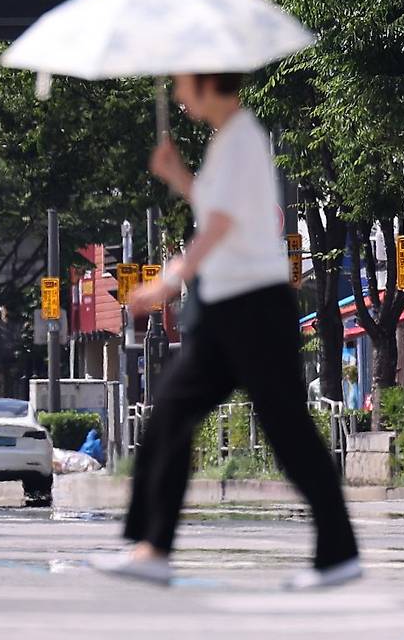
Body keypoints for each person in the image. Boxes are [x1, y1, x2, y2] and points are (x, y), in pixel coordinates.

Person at [92, 73, 360, 590]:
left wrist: (166, 282)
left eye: (182, 83)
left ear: (207, 82)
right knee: (172, 415)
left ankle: (339, 551)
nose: (177, 94)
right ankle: (152, 546)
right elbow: (220, 212)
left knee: (287, 432)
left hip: (253, 310)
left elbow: (217, 228)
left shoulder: (241, 139)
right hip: (229, 310)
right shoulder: (228, 143)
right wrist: (180, 178)